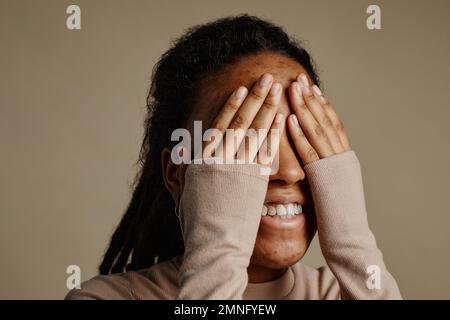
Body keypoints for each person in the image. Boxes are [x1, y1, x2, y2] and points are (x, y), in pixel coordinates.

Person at [65, 15, 401, 300]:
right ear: (176, 174)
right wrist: (218, 253)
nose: (290, 171)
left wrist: (352, 242)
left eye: (303, 139)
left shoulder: (343, 292)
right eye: (244, 144)